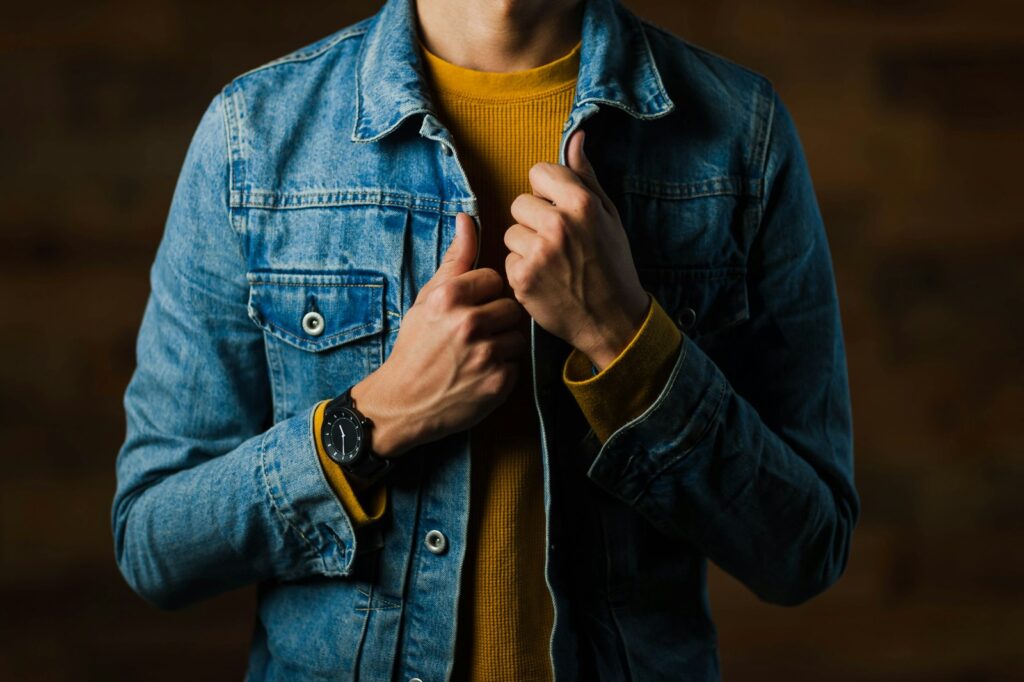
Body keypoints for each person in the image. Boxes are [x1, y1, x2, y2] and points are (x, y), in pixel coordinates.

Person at [111, 0, 860, 678]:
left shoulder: (740, 135)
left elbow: (805, 550)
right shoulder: (255, 136)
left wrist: (625, 339)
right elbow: (154, 542)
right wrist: (371, 422)